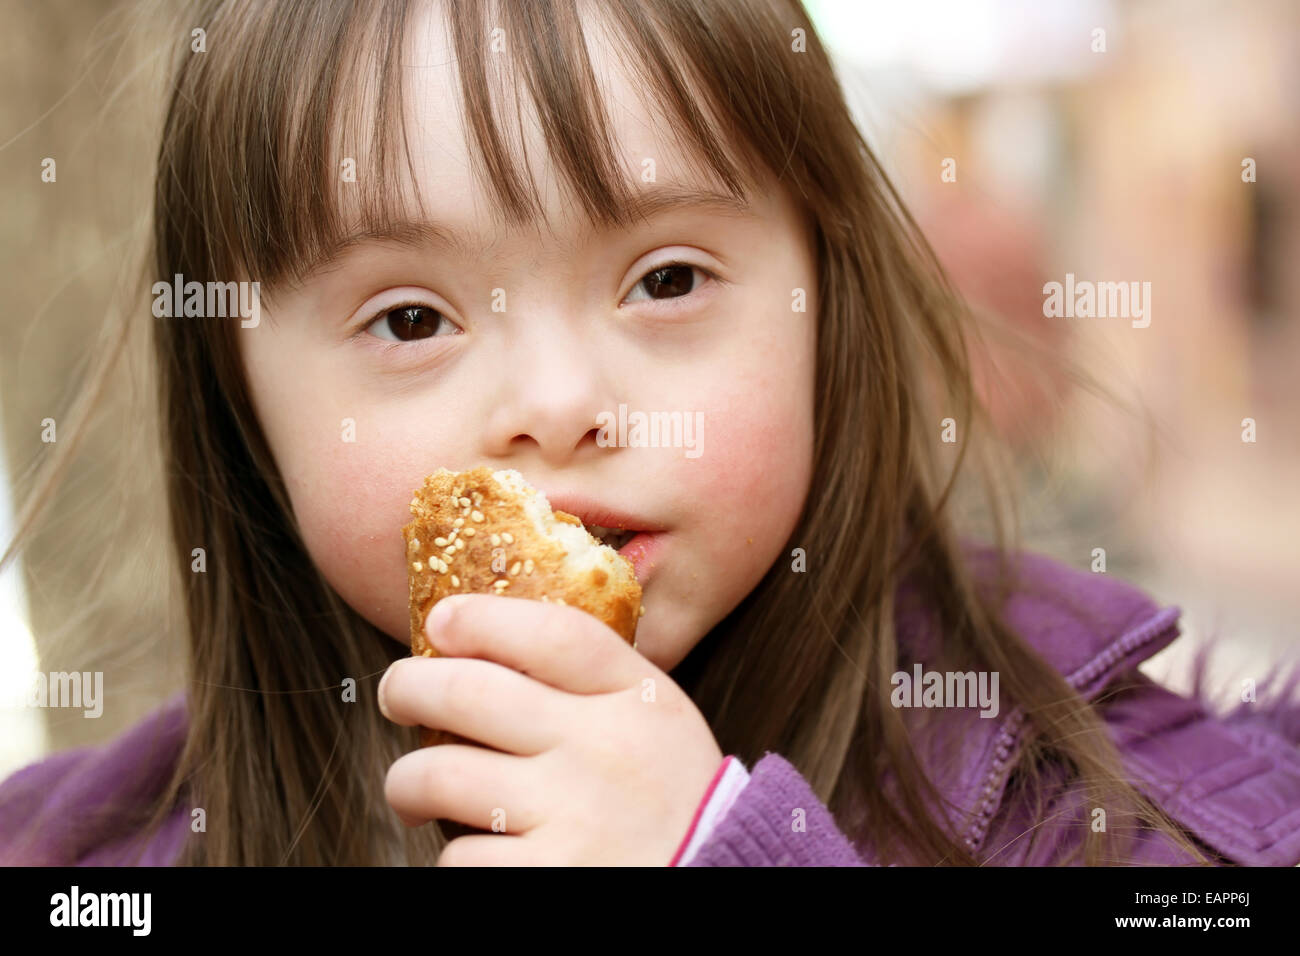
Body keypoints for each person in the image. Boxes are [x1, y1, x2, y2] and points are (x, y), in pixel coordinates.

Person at [2, 0, 1298, 866]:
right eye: (409, 318)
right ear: (240, 402)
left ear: (821, 304)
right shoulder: (86, 856)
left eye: (666, 280)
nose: (560, 402)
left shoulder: (1100, 801)